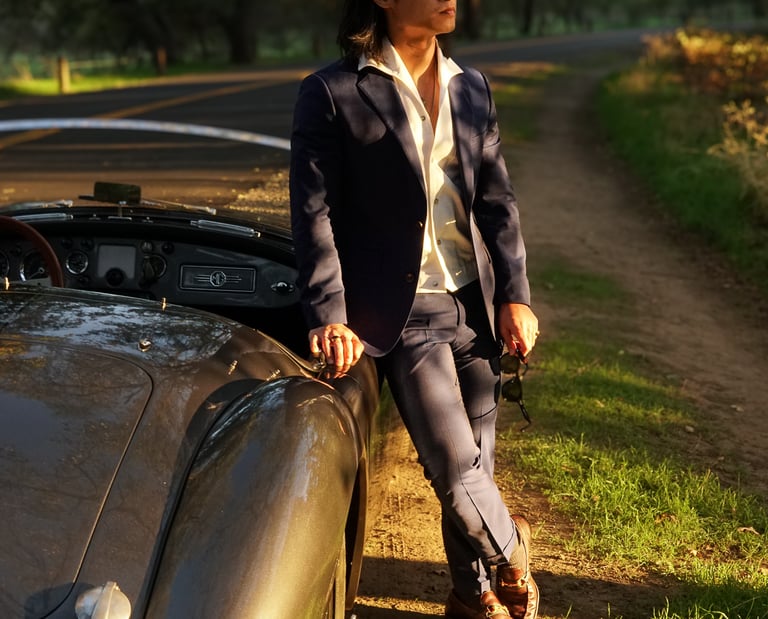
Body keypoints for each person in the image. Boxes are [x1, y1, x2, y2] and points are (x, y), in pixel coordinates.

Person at [289, 0, 540, 617]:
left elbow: (498, 204)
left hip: (474, 305)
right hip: (406, 312)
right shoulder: (332, 90)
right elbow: (312, 211)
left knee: (478, 464)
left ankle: (469, 594)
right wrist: (330, 311)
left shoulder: (470, 87)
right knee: (455, 469)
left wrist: (515, 296)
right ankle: (513, 550)